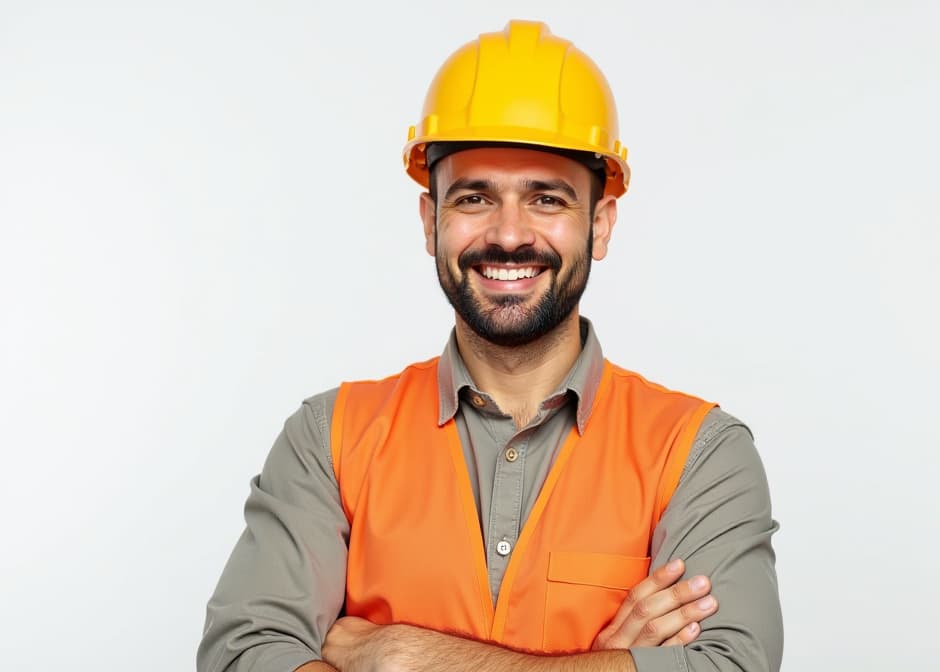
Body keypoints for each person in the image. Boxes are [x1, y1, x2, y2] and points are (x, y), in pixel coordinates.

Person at [198, 20, 782, 672]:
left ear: (601, 224)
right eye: (475, 197)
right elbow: (243, 656)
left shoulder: (698, 453)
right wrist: (599, 663)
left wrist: (406, 656)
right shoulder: (329, 439)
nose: (508, 234)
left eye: (546, 198)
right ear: (431, 221)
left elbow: (732, 666)